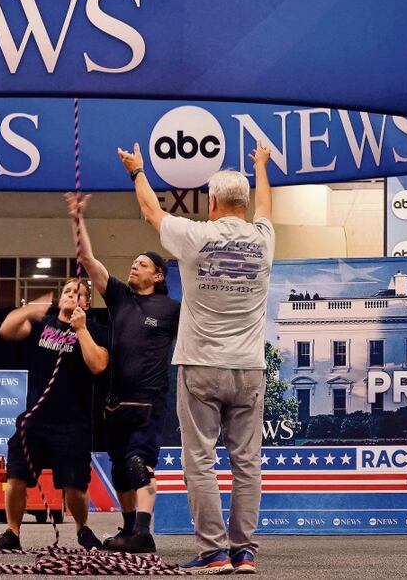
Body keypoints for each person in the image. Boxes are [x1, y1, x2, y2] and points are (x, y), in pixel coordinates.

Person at [118, 141, 274, 574]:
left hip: (201, 366)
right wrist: (262, 166)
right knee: (247, 464)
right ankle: (244, 553)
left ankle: (215, 552)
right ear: (243, 204)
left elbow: (151, 212)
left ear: (213, 202)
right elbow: (266, 206)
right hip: (249, 368)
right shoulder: (264, 239)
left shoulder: (195, 235)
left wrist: (137, 172)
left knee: (200, 461)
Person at [65, 192, 181, 554]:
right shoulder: (119, 297)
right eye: (133, 263)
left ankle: (144, 532)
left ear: (158, 275)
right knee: (119, 468)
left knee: (137, 463)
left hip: (149, 402)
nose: (134, 266)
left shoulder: (171, 309)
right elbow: (88, 260)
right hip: (115, 404)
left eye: (142, 264)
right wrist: (78, 220)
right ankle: (130, 530)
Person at [0, 278, 110, 552]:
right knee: (16, 477)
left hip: (72, 423)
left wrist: (81, 329)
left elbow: (99, 365)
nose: (71, 295)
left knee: (75, 485)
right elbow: (6, 330)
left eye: (78, 293)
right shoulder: (43, 326)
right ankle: (12, 532)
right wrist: (31, 308)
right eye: (67, 291)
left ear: (86, 303)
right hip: (34, 421)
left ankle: (82, 529)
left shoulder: (95, 330)